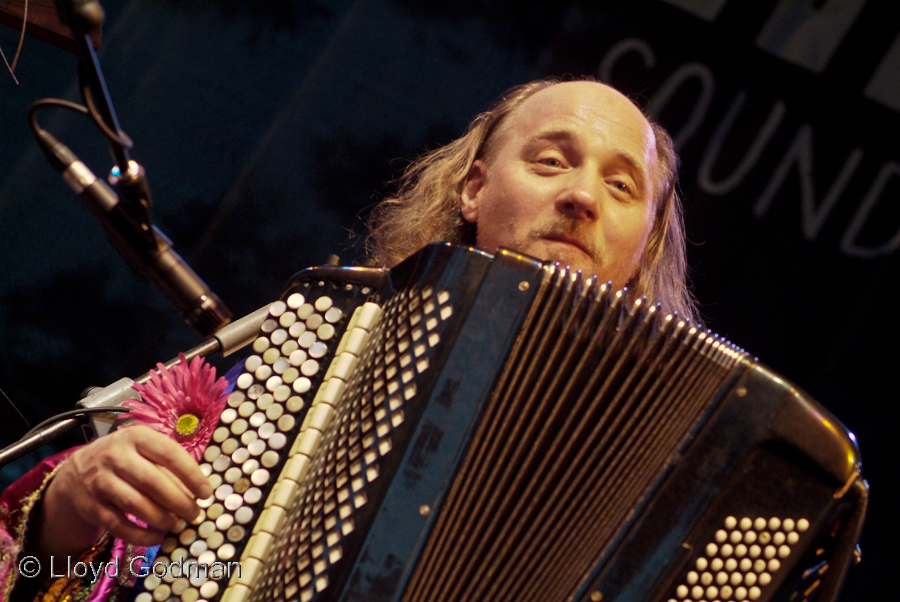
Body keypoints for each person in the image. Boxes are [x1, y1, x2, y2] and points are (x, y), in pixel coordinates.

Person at [0, 76, 696, 601]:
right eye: (550, 161)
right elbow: (64, 568)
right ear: (474, 190)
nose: (583, 197)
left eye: (621, 185)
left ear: (643, 245)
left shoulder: (680, 446)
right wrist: (61, 520)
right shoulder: (321, 353)